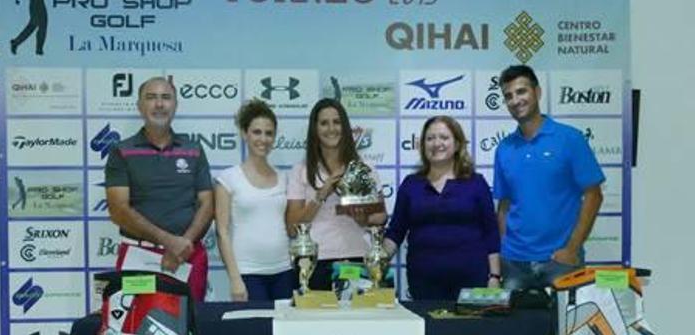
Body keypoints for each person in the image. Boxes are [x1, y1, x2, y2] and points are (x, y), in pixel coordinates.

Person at [493, 65, 605, 290]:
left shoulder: (570, 139)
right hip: (514, 264)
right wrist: (503, 251)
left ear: (538, 92)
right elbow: (504, 205)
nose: (516, 100)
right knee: (513, 326)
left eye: (521, 91)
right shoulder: (504, 148)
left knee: (565, 326)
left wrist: (572, 248)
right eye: (508, 96)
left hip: (560, 263)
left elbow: (594, 196)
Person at [104, 77, 213, 301]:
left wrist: (182, 245)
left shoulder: (193, 149)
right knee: (135, 327)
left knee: (190, 326)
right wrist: (169, 242)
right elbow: (118, 211)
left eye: (166, 97)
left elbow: (207, 203)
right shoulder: (121, 151)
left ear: (175, 105)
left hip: (188, 256)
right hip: (139, 257)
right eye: (151, 97)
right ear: (139, 106)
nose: (159, 104)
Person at [384, 116, 501, 301]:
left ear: (457, 144)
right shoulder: (410, 185)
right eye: (430, 138)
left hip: (472, 281)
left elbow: (491, 233)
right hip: (424, 283)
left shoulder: (476, 183)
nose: (436, 143)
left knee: (472, 331)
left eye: (444, 137)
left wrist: (494, 277)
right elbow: (395, 231)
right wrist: (376, 260)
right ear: (422, 145)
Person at [285, 98, 386, 290]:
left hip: (358, 258)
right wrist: (321, 194)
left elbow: (380, 217)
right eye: (324, 123)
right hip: (315, 262)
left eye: (337, 122)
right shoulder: (300, 171)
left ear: (345, 126)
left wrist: (362, 217)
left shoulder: (364, 169)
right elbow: (292, 227)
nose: (331, 128)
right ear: (315, 129)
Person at [214, 100, 294, 301]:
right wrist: (235, 278)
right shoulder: (228, 179)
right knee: (256, 332)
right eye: (256, 132)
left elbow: (291, 226)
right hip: (247, 274)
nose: (263, 139)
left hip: (284, 271)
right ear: (244, 133)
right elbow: (222, 232)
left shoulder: (284, 178)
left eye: (269, 133)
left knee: (283, 332)